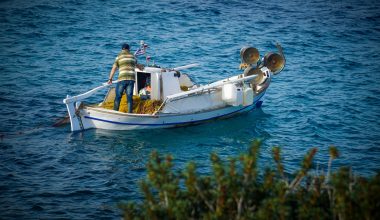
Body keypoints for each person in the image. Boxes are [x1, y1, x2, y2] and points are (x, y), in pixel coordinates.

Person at [108, 43, 137, 113]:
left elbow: (114, 68)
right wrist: (141, 67)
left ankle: (115, 112)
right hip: (131, 79)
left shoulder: (119, 56)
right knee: (129, 97)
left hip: (122, 78)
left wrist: (110, 79)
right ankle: (130, 113)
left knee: (118, 96)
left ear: (122, 49)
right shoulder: (133, 56)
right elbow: (136, 65)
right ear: (128, 49)